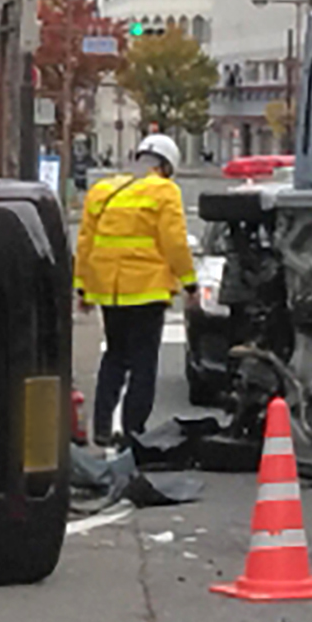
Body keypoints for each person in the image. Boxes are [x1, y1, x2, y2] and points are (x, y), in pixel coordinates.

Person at [75, 133, 197, 447]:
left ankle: (101, 427)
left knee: (115, 356)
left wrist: (82, 289)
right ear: (166, 166)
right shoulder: (164, 191)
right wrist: (189, 282)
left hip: (108, 290)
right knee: (144, 363)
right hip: (146, 289)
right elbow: (175, 243)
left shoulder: (101, 190)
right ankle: (133, 432)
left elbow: (85, 242)